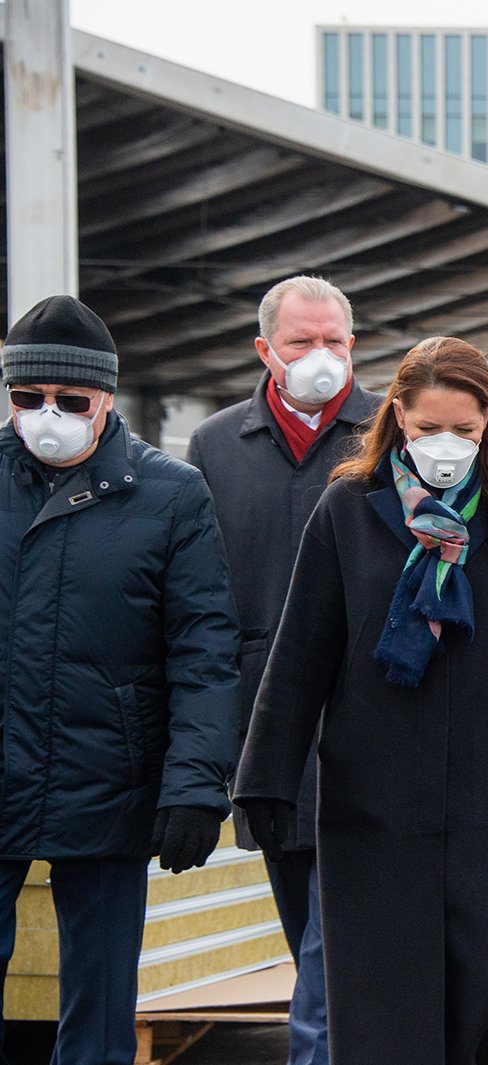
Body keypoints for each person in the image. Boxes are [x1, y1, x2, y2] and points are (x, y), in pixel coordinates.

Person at [232, 336, 488, 1064]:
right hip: (371, 812)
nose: (447, 443)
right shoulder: (347, 509)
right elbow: (300, 653)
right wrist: (267, 779)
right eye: (429, 425)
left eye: (464, 429)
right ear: (398, 415)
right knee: (380, 1015)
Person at [0, 295, 240, 1063]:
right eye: (27, 398)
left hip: (107, 779)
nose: (48, 414)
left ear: (105, 396)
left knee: (101, 1004)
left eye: (70, 400)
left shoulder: (171, 493)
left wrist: (195, 783)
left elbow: (204, 647)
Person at [186, 275, 383, 1065]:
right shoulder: (215, 447)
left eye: (334, 340)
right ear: (265, 350)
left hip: (367, 726)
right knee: (301, 915)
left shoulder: (390, 435)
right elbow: (201, 596)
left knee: (336, 944)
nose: (321, 357)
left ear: (355, 346)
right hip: (267, 731)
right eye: (302, 342)